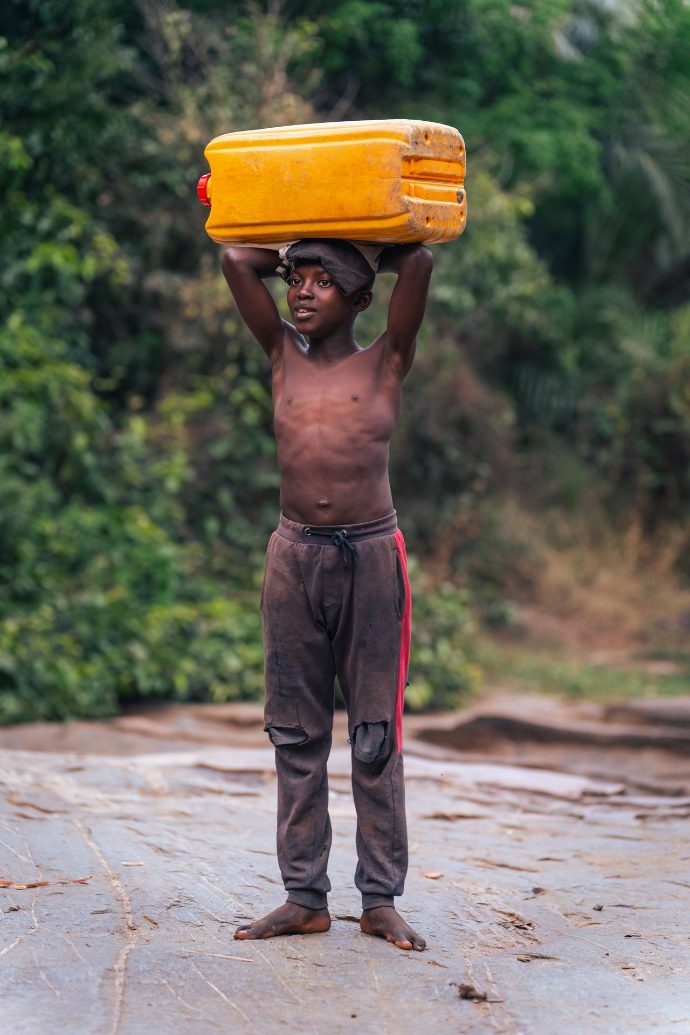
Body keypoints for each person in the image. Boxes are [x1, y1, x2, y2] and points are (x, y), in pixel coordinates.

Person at [221, 237, 432, 951]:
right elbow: (231, 257)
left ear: (362, 298)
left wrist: (378, 232)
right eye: (296, 280)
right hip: (294, 558)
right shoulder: (281, 356)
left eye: (324, 282)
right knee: (295, 732)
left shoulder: (386, 362)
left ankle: (380, 899)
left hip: (372, 558)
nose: (303, 293)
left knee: (375, 733)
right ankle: (305, 896)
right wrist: (294, 231)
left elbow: (422, 264)